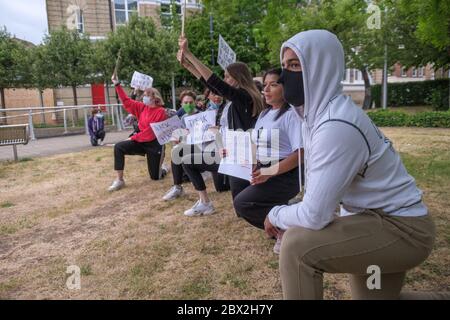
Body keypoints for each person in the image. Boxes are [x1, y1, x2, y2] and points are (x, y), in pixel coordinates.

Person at [265, 29, 439, 300]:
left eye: (296, 65)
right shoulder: (321, 116)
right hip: (375, 220)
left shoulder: (336, 125)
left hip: (403, 229)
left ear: (320, 68)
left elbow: (314, 215)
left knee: (296, 246)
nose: (286, 76)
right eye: (285, 66)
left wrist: (275, 215)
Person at [177, 36, 265, 204]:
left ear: (239, 79)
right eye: (224, 76)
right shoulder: (237, 98)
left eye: (227, 77)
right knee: (188, 160)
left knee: (243, 205)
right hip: (230, 152)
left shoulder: (244, 97)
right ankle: (204, 202)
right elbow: (211, 85)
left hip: (242, 157)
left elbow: (214, 82)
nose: (224, 80)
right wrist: (187, 65)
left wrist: (189, 54)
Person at [233, 68, 301, 252]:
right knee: (239, 198)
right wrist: (233, 153)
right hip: (261, 169)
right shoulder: (264, 114)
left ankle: (285, 229)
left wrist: (269, 172)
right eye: (265, 85)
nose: (267, 90)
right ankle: (285, 221)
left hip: (283, 174)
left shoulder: (291, 115)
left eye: (274, 84)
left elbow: (301, 154)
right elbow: (255, 143)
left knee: (243, 203)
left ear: (285, 88)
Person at [108, 73, 168, 191]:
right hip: (141, 141)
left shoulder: (161, 112)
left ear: (155, 97)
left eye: (147, 95)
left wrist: (132, 138)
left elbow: (150, 133)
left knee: (155, 177)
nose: (144, 97)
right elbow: (126, 101)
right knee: (118, 147)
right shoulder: (142, 107)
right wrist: (117, 84)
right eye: (144, 94)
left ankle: (164, 168)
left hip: (154, 144)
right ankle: (119, 180)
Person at [179, 91, 231, 216]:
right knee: (183, 155)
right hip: (213, 151)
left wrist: (217, 131)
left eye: (190, 102)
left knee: (223, 188)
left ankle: (205, 201)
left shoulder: (226, 109)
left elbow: (223, 132)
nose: (217, 97)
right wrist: (183, 137)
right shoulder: (192, 117)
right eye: (185, 103)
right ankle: (204, 201)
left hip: (227, 151)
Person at [162, 90, 201, 201]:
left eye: (190, 102)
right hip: (188, 145)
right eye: (185, 103)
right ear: (181, 105)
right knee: (176, 150)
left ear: (195, 102)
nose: (188, 105)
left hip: (201, 147)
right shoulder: (183, 118)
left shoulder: (202, 115)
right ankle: (177, 187)